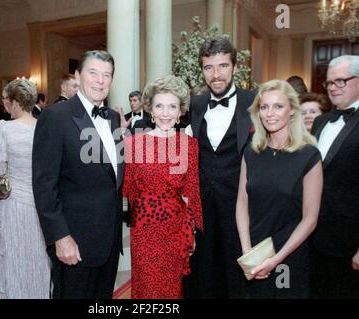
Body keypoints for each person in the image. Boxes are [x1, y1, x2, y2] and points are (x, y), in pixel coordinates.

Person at [32, 50, 123, 299]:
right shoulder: (55, 117)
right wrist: (60, 237)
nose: (100, 80)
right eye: (93, 73)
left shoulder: (114, 119)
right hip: (75, 241)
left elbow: (112, 176)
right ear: (78, 75)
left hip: (109, 241)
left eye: (107, 75)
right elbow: (44, 185)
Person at [235, 79, 323, 298]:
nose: (270, 113)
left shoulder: (308, 155)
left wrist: (276, 259)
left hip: (289, 255)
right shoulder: (251, 151)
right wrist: (247, 252)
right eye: (264, 107)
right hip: (255, 254)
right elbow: (242, 204)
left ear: (292, 110)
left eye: (278, 106)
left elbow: (310, 219)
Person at [184, 37, 256, 299]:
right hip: (202, 208)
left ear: (235, 67)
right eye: (208, 67)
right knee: (204, 273)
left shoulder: (255, 102)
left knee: (237, 275)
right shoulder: (195, 105)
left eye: (223, 66)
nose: (216, 75)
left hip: (241, 206)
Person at [123, 75, 203, 298]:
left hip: (176, 229)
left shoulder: (189, 145)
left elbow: (192, 191)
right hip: (144, 229)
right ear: (150, 109)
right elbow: (128, 189)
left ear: (180, 112)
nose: (166, 113)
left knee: (171, 289)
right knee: (146, 287)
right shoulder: (134, 143)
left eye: (172, 107)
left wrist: (191, 231)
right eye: (160, 106)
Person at [0, 79, 50, 299]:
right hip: (41, 203)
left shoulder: (4, 128)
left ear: (15, 102)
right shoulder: (44, 127)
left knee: (15, 257)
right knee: (39, 258)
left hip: (14, 203)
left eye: (6, 100)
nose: (4, 105)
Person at [310, 55, 359, 299]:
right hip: (314, 237)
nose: (333, 88)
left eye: (341, 81)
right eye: (329, 83)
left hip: (349, 243)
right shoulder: (320, 122)